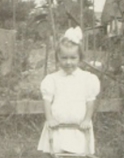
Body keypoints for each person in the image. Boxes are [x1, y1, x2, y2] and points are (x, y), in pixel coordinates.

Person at [37, 26, 100, 157]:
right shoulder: (53, 79)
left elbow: (90, 101)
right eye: (64, 58)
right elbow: (47, 101)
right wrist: (50, 119)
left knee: (79, 153)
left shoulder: (87, 79)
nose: (68, 62)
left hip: (79, 126)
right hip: (57, 125)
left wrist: (87, 120)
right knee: (55, 152)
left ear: (80, 58)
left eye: (73, 58)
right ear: (58, 58)